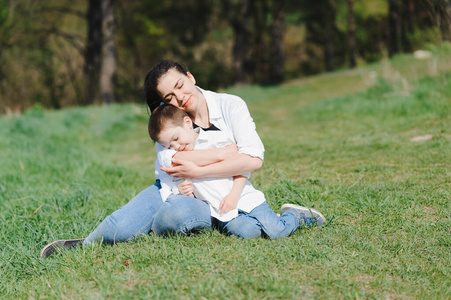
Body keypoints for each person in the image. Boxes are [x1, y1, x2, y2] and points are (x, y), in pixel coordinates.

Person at [40, 60, 325, 258]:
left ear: (190, 77)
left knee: (177, 218)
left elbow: (253, 158)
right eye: (169, 96)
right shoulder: (168, 123)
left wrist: (201, 166)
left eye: (180, 85)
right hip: (175, 191)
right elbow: (175, 166)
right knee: (122, 226)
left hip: (213, 194)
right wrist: (226, 154)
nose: (180, 97)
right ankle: (85, 244)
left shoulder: (230, 105)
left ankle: (174, 225)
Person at [148, 103, 326, 238]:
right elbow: (178, 186)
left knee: (276, 232)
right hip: (222, 212)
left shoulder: (215, 140)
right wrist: (183, 191)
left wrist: (234, 195)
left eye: (176, 138)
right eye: (169, 145)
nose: (176, 146)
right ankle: (268, 219)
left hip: (243, 198)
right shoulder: (181, 161)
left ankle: (295, 217)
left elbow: (241, 169)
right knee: (246, 233)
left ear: (187, 123)